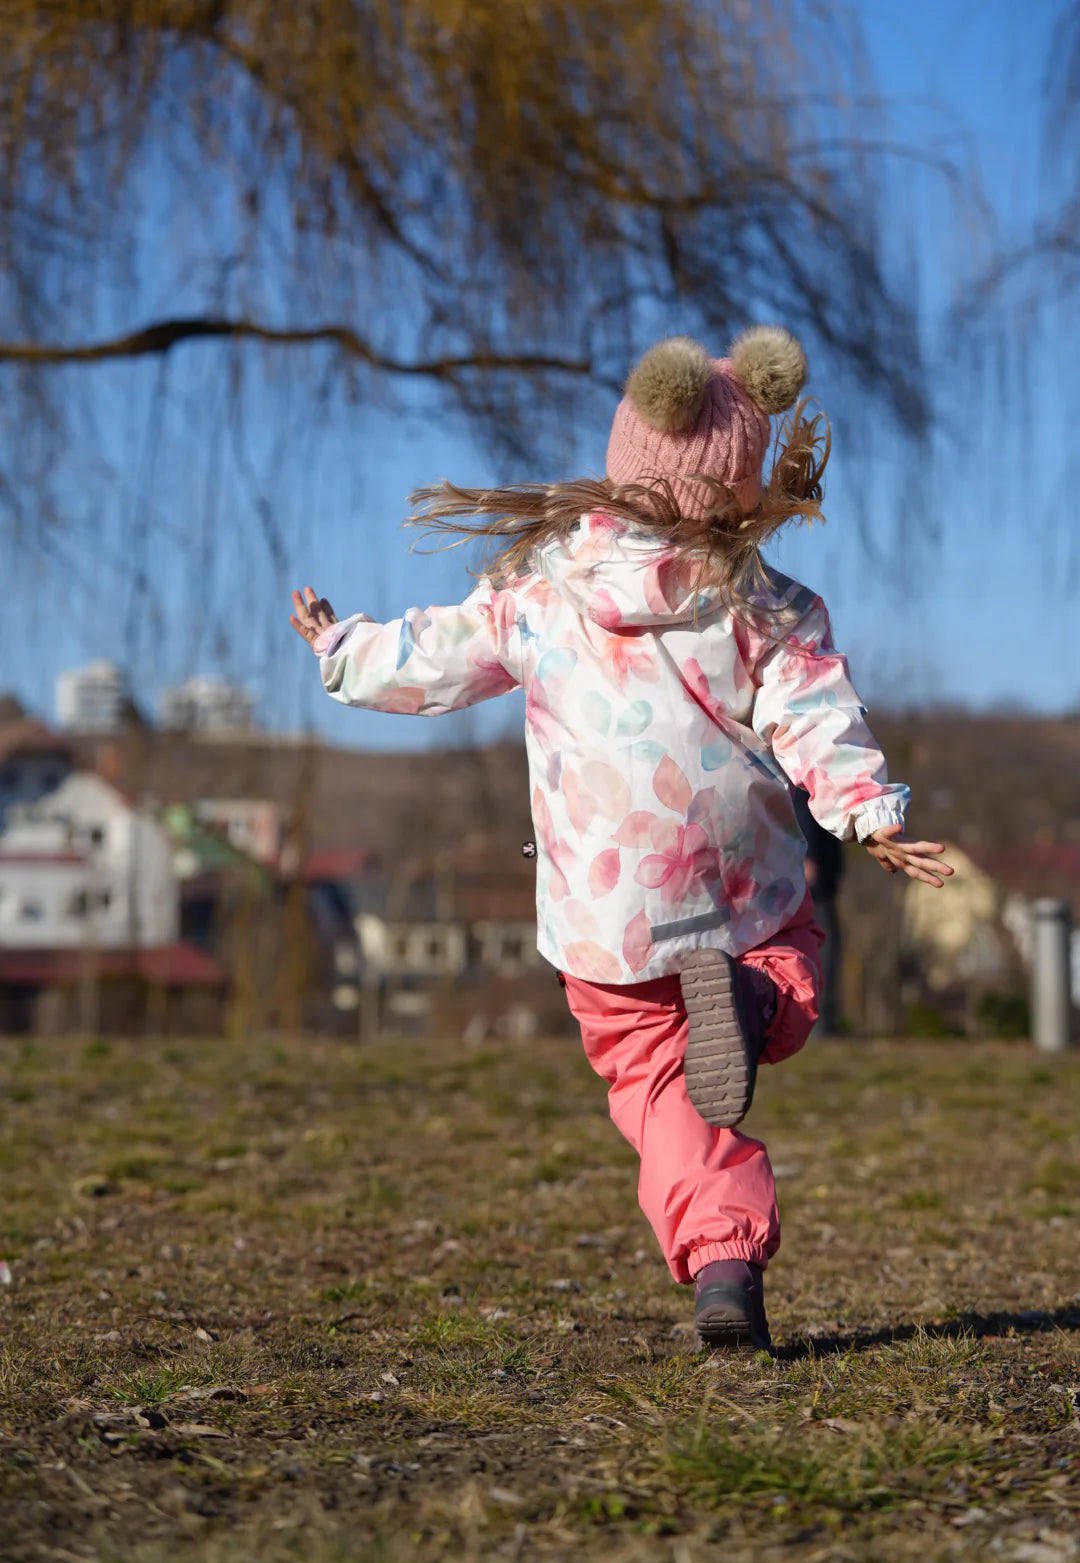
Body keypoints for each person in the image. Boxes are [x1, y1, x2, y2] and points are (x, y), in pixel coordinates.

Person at [289, 327, 953, 1352]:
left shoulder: (548, 589)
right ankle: (756, 995)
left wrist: (345, 648)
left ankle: (723, 1262)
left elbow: (441, 655)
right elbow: (816, 712)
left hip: (611, 912)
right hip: (740, 887)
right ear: (738, 487)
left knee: (654, 1080)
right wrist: (871, 810)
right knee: (791, 964)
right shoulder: (765, 605)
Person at [792, 786, 845, 1036]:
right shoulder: (802, 770)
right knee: (821, 951)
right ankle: (819, 1026)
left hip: (817, 877)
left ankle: (819, 1024)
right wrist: (809, 855)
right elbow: (805, 809)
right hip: (814, 881)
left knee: (821, 951)